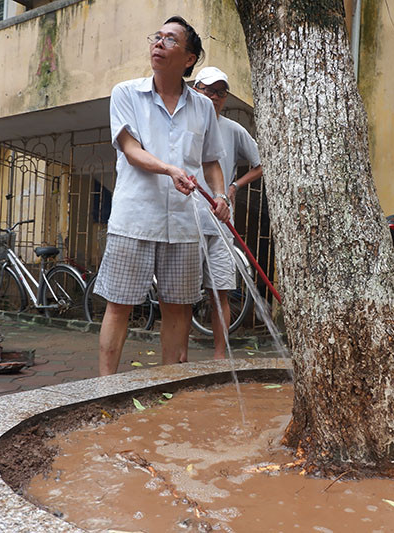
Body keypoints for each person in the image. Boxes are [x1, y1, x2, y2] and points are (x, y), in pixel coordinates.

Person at [94, 16, 230, 374]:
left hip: (186, 223)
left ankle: (172, 385)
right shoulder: (126, 93)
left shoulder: (202, 107)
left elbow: (212, 160)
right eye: (157, 37)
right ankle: (105, 386)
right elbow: (130, 148)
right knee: (119, 304)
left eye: (170, 39)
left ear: (189, 58)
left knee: (178, 306)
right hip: (135, 218)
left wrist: (221, 197)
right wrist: (170, 169)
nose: (158, 43)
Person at [193, 66, 262, 360]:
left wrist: (234, 185)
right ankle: (178, 359)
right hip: (188, 220)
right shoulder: (183, 125)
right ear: (195, 90)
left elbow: (261, 164)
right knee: (181, 296)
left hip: (222, 221)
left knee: (219, 290)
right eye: (208, 90)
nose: (214, 97)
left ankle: (220, 357)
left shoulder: (233, 130)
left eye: (221, 92)